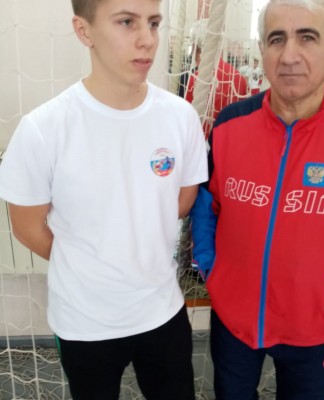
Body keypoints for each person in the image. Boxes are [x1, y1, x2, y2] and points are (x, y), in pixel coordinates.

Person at [189, 0, 324, 399]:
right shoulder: (230, 125)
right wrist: (211, 268)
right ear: (262, 48)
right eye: (276, 39)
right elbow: (206, 204)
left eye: (307, 37)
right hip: (233, 321)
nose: (289, 56)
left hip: (312, 328)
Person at [0, 0, 208, 399]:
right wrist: (90, 261)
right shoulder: (44, 128)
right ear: (84, 31)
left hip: (161, 311)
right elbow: (26, 227)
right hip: (85, 322)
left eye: (153, 23)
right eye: (126, 22)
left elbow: (181, 200)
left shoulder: (180, 117)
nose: (147, 39)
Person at [180, 19, 247, 138]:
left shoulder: (191, 78)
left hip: (200, 142)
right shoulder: (239, 78)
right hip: (229, 142)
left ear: (195, 46)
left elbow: (185, 120)